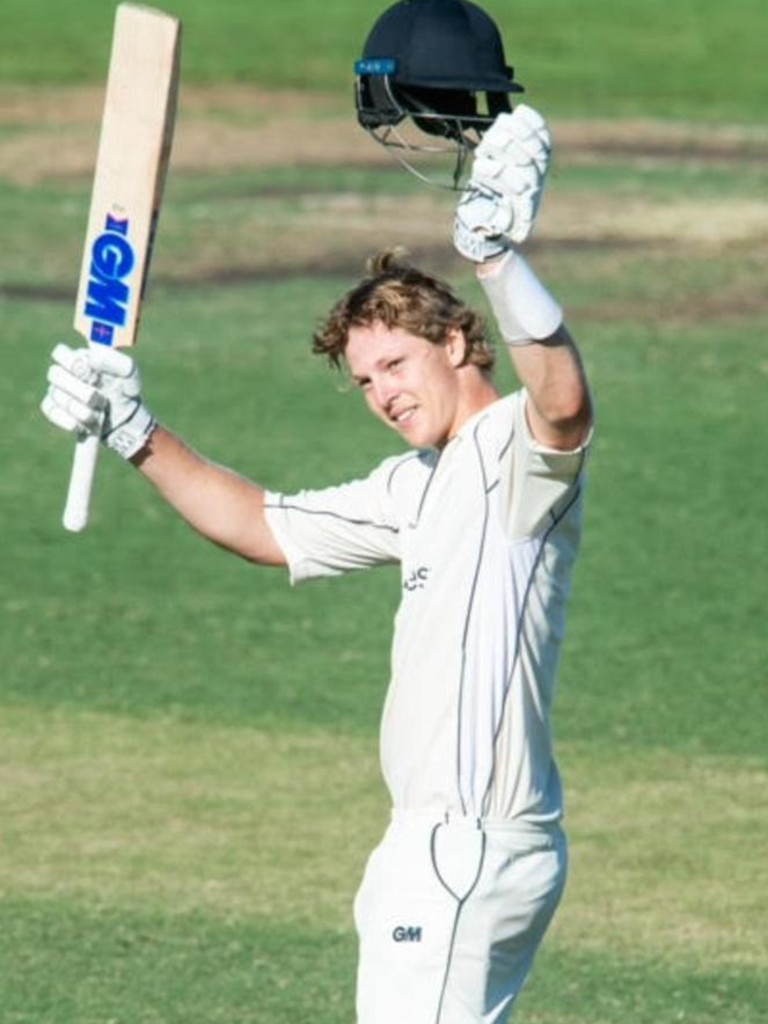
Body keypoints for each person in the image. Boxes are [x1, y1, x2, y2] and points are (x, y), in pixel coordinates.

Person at [42, 97, 592, 1023]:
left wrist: (497, 260)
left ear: (457, 341)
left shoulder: (516, 456)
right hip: (432, 847)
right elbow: (263, 525)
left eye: (396, 366)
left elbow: (566, 403)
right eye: (366, 380)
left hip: (466, 848)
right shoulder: (414, 486)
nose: (380, 394)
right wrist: (135, 431)